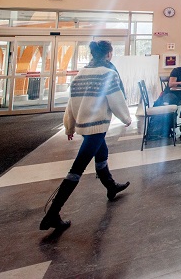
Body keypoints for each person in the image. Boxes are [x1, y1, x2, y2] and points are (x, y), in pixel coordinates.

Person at [40, 40, 132, 231]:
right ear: (108, 54)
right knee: (76, 170)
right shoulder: (108, 74)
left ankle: (110, 186)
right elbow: (116, 100)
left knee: (101, 154)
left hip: (84, 125)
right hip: (97, 127)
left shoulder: (80, 75)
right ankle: (52, 213)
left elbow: (71, 104)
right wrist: (126, 119)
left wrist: (70, 126)